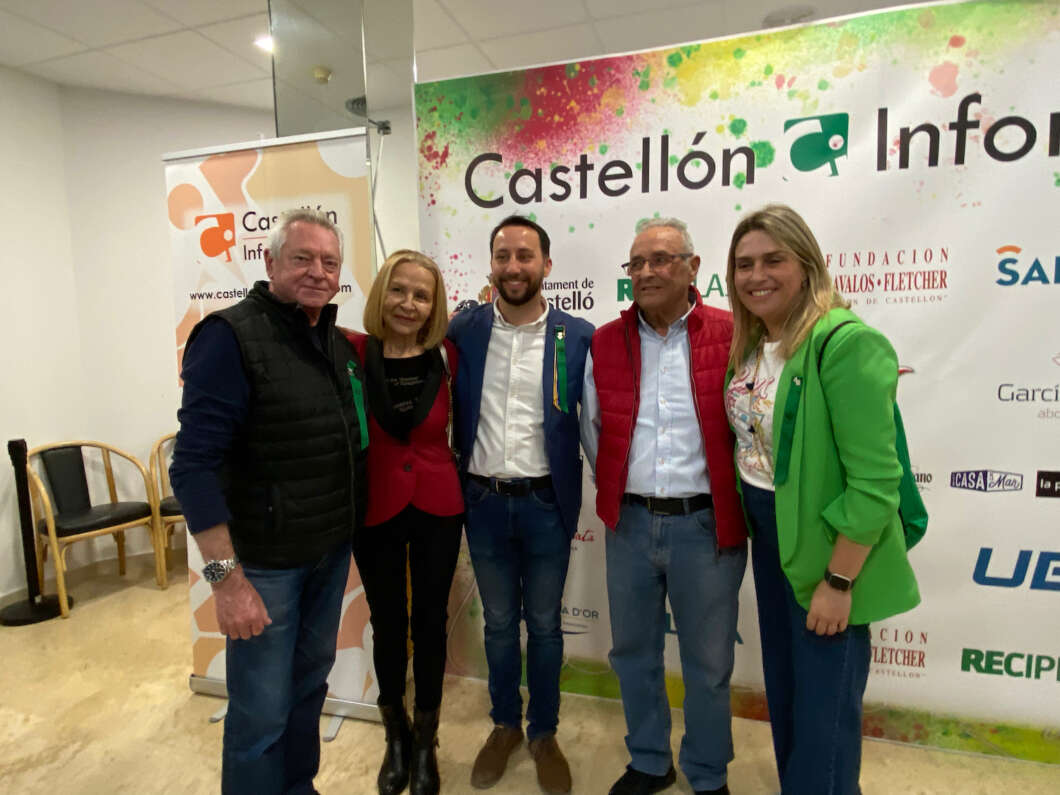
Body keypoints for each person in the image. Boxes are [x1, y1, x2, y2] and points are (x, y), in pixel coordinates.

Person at [723, 204, 921, 795]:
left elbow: (875, 483)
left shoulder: (845, 343)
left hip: (829, 546)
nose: (757, 275)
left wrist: (839, 581)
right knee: (789, 694)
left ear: (806, 264)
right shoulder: (755, 344)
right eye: (744, 264)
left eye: (773, 260)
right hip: (770, 533)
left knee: (824, 714)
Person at [170, 208, 369, 794]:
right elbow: (192, 467)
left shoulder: (332, 341)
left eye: (329, 262)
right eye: (302, 258)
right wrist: (226, 582)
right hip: (263, 569)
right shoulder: (228, 337)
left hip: (325, 557)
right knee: (259, 714)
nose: (317, 272)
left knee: (308, 690)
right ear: (270, 261)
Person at [580, 217, 747, 795]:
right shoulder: (605, 341)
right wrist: (622, 491)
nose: (646, 272)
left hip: (706, 526)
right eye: (636, 263)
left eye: (661, 259)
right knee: (632, 653)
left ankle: (707, 771)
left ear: (693, 267)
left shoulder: (733, 333)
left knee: (709, 665)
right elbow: (593, 428)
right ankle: (650, 761)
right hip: (628, 524)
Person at [447, 215, 593, 794]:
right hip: (483, 502)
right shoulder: (463, 330)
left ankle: (544, 732)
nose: (513, 266)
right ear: (490, 264)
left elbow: (595, 423)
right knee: (501, 625)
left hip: (546, 505)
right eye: (502, 255)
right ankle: (505, 724)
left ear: (546, 265)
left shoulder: (577, 337)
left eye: (525, 255)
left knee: (546, 627)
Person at [342, 250, 462, 795]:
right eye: (399, 290)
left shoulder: (449, 356)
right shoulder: (350, 352)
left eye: (421, 295)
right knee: (388, 622)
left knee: (430, 622)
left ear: (434, 306)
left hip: (439, 504)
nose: (408, 304)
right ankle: (395, 736)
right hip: (376, 506)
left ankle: (425, 741)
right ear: (380, 294)